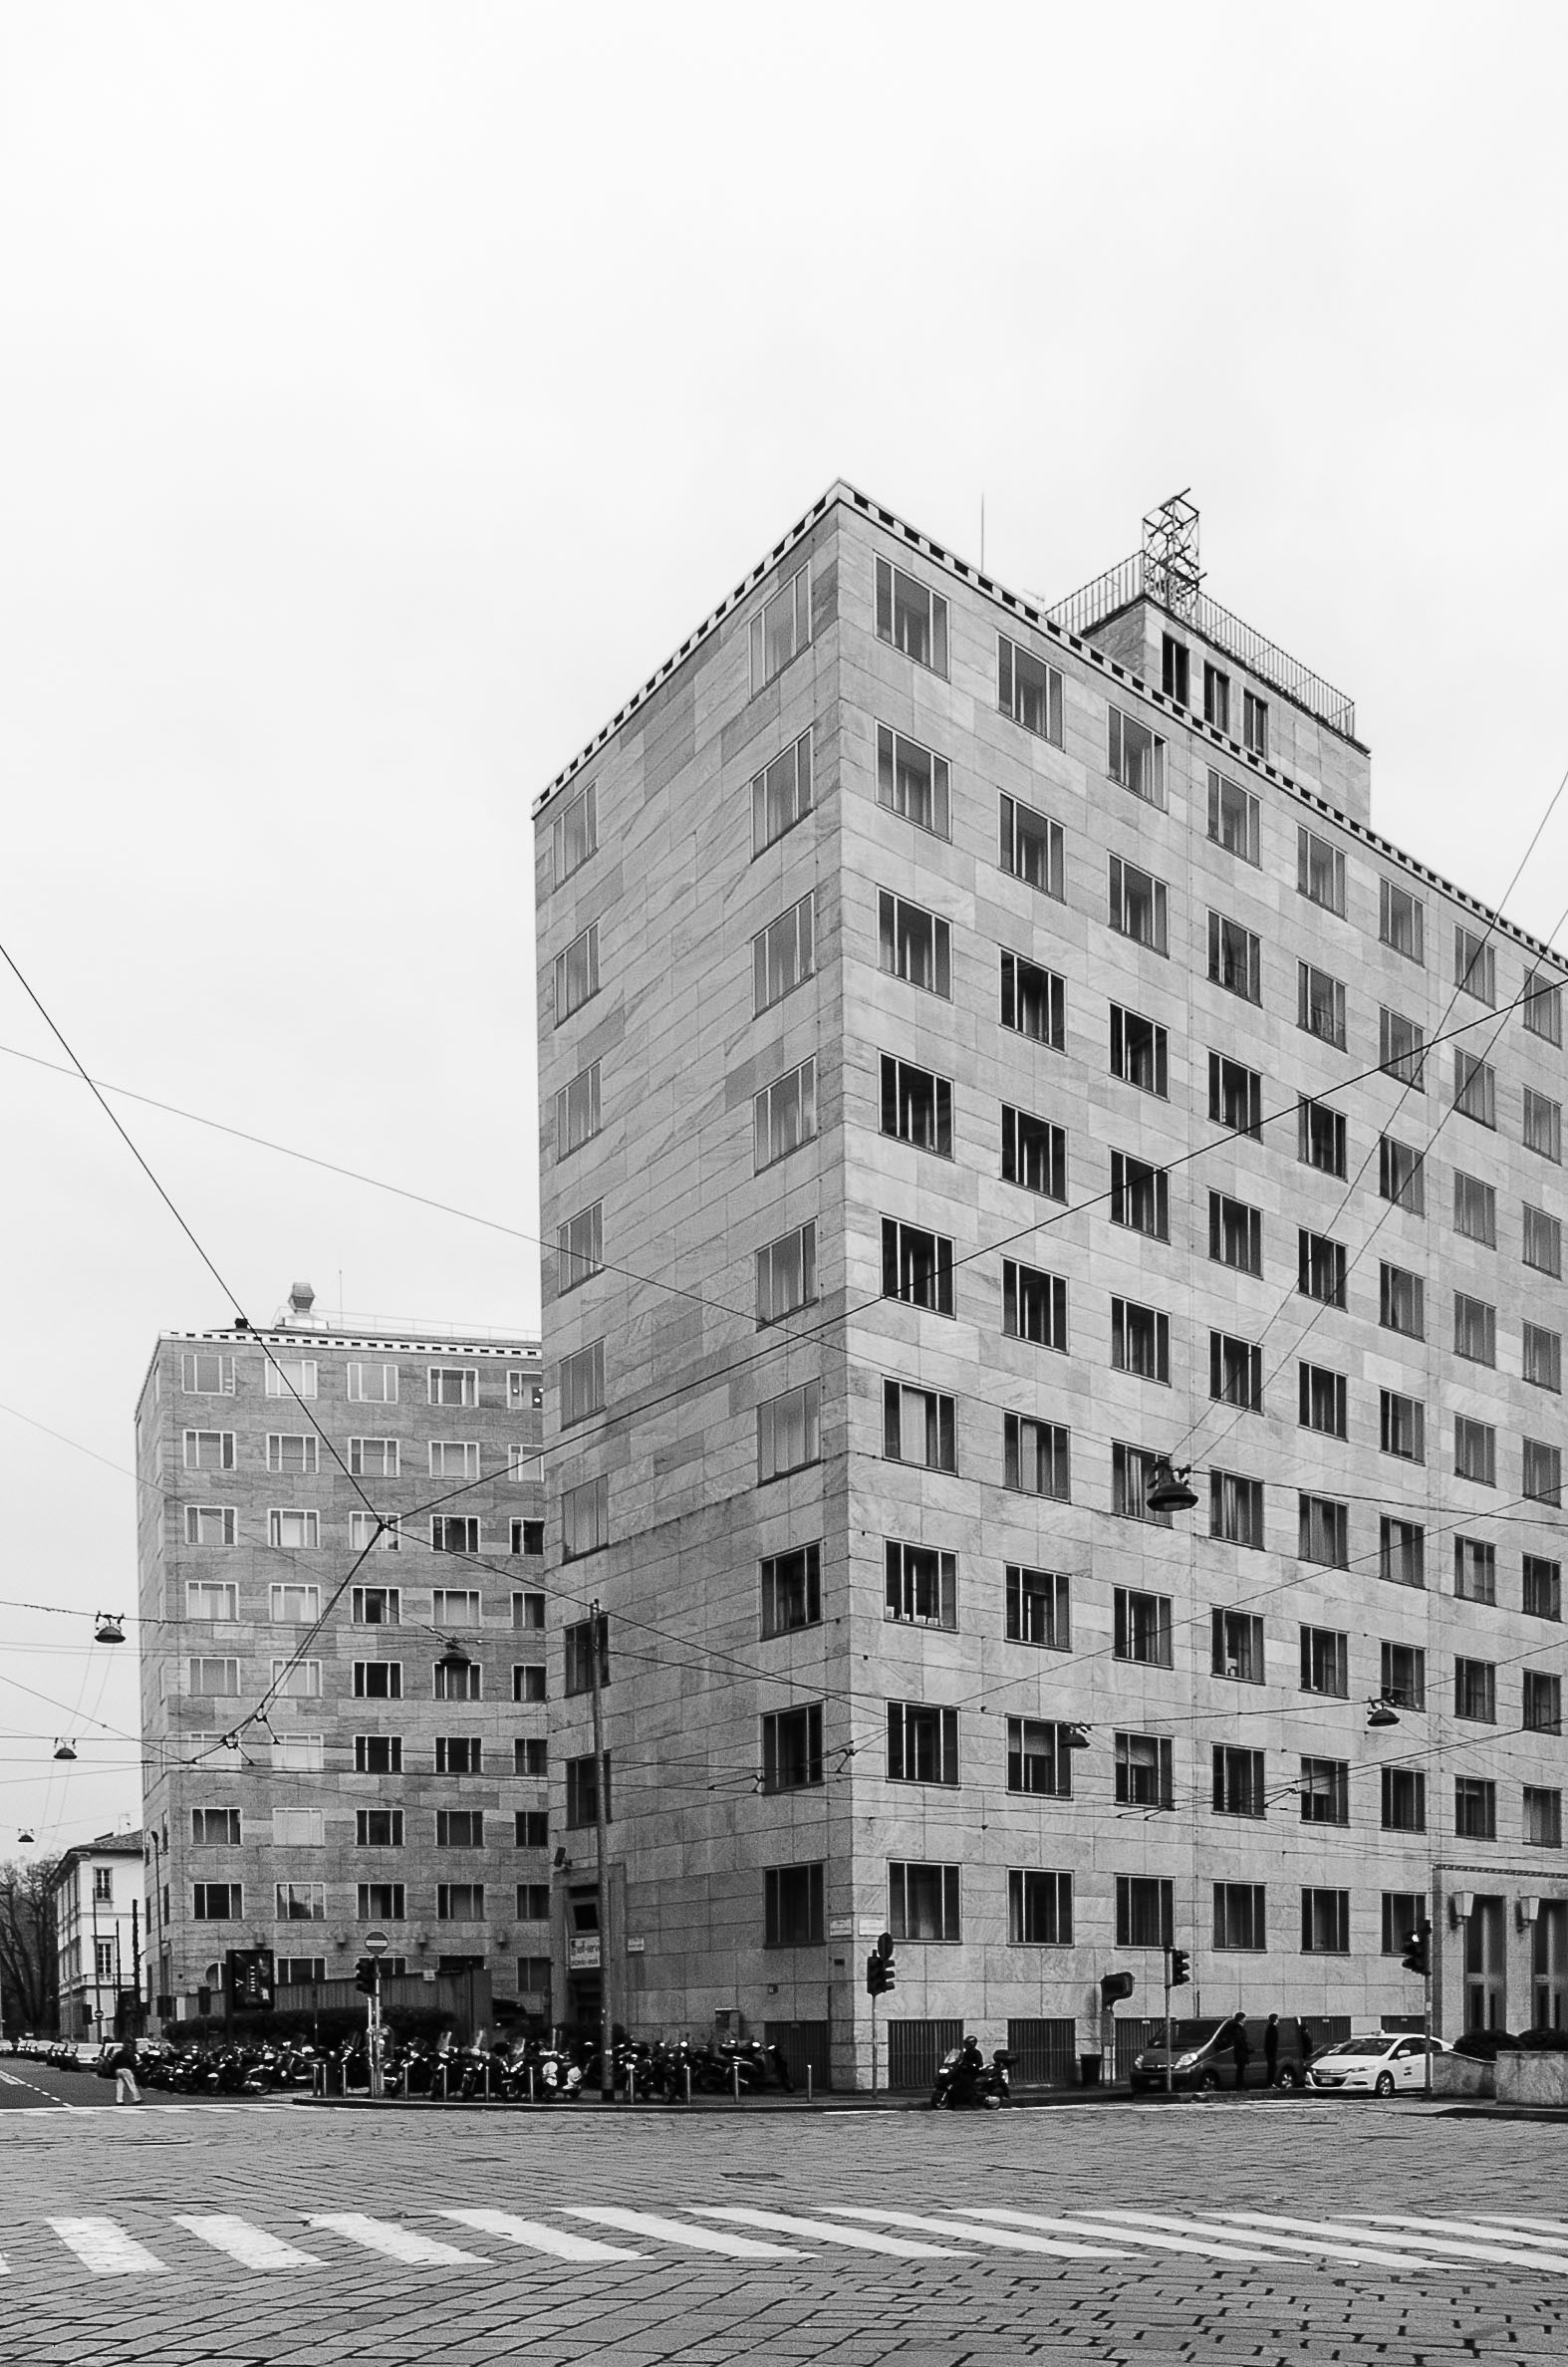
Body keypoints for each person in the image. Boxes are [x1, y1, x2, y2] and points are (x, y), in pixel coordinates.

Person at [110, 2035, 141, 2106]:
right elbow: (133, 2063)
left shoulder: (118, 2053)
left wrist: (114, 2070)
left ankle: (119, 2100)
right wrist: (136, 2068)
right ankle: (136, 2098)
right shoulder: (130, 2054)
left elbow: (113, 2062)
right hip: (126, 2070)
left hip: (118, 2070)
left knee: (120, 2086)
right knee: (131, 2084)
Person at [1228, 2012, 1251, 2091]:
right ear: (1241, 2019)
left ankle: (1240, 2085)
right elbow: (1240, 2040)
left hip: (1239, 2051)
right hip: (1241, 2052)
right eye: (1244, 2018)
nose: (1245, 2020)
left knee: (1240, 2069)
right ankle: (1239, 2085)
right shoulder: (1238, 2028)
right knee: (1240, 2069)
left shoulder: (1236, 2028)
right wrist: (1247, 2048)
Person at [1263, 2013, 1280, 2088]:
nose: (1278, 2020)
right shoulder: (1273, 2029)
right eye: (1277, 2019)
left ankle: (1270, 2083)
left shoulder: (1270, 2028)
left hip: (1270, 2051)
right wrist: (1273, 2051)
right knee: (1272, 2067)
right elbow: (1272, 2042)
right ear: (1275, 2020)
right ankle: (1270, 2083)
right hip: (1271, 2052)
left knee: (1272, 2067)